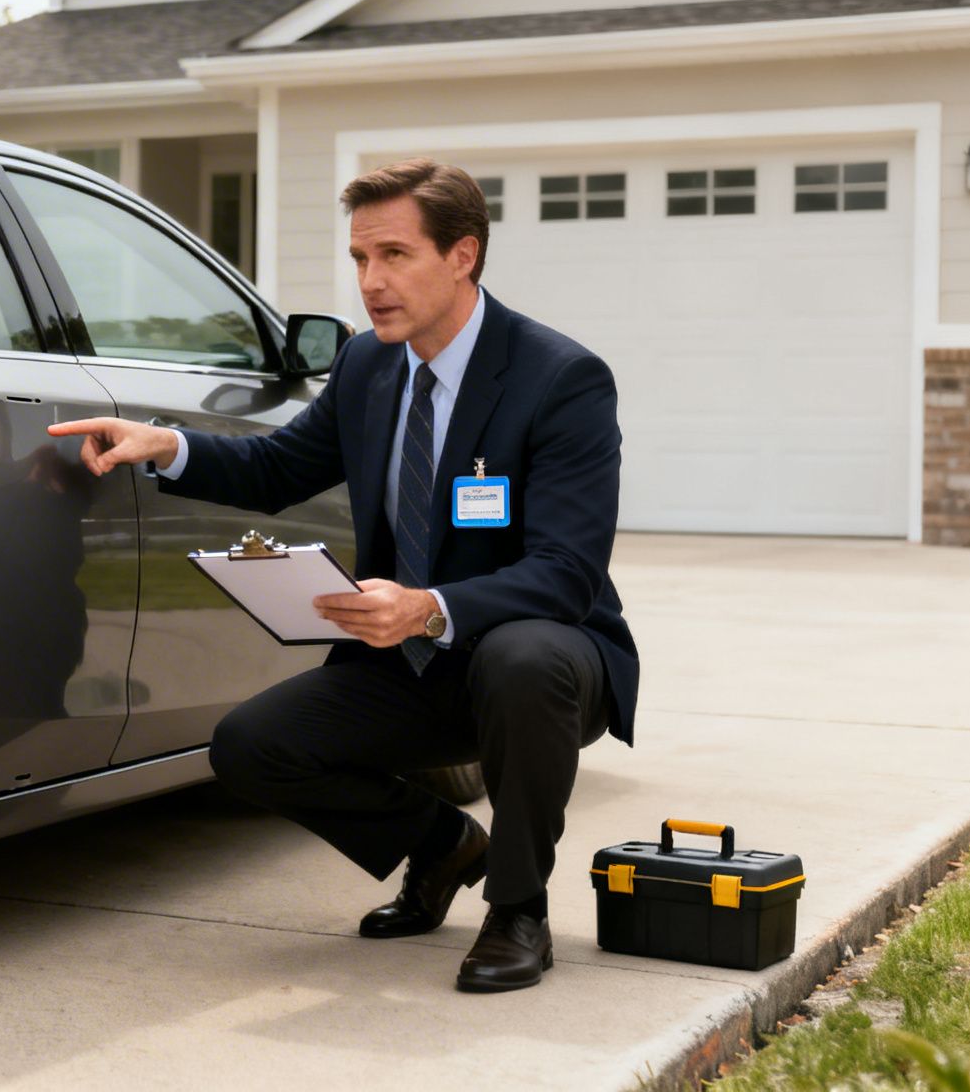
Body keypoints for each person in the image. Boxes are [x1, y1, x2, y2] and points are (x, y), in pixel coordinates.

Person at [48, 159, 639, 993]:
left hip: (545, 662)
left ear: (463, 255)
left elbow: (565, 573)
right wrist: (164, 445)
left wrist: (429, 606)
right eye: (361, 259)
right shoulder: (368, 366)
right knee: (250, 746)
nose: (371, 281)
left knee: (524, 657)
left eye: (395, 255)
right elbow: (277, 467)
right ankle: (440, 846)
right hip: (409, 664)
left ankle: (518, 910)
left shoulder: (560, 378)